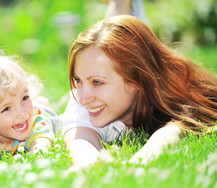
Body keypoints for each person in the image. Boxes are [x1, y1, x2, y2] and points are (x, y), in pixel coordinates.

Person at [61, 15, 217, 168]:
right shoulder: (80, 105)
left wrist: (162, 140)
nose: (83, 98)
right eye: (78, 80)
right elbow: (81, 143)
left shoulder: (179, 91)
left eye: (97, 82)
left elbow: (180, 125)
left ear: (137, 80)